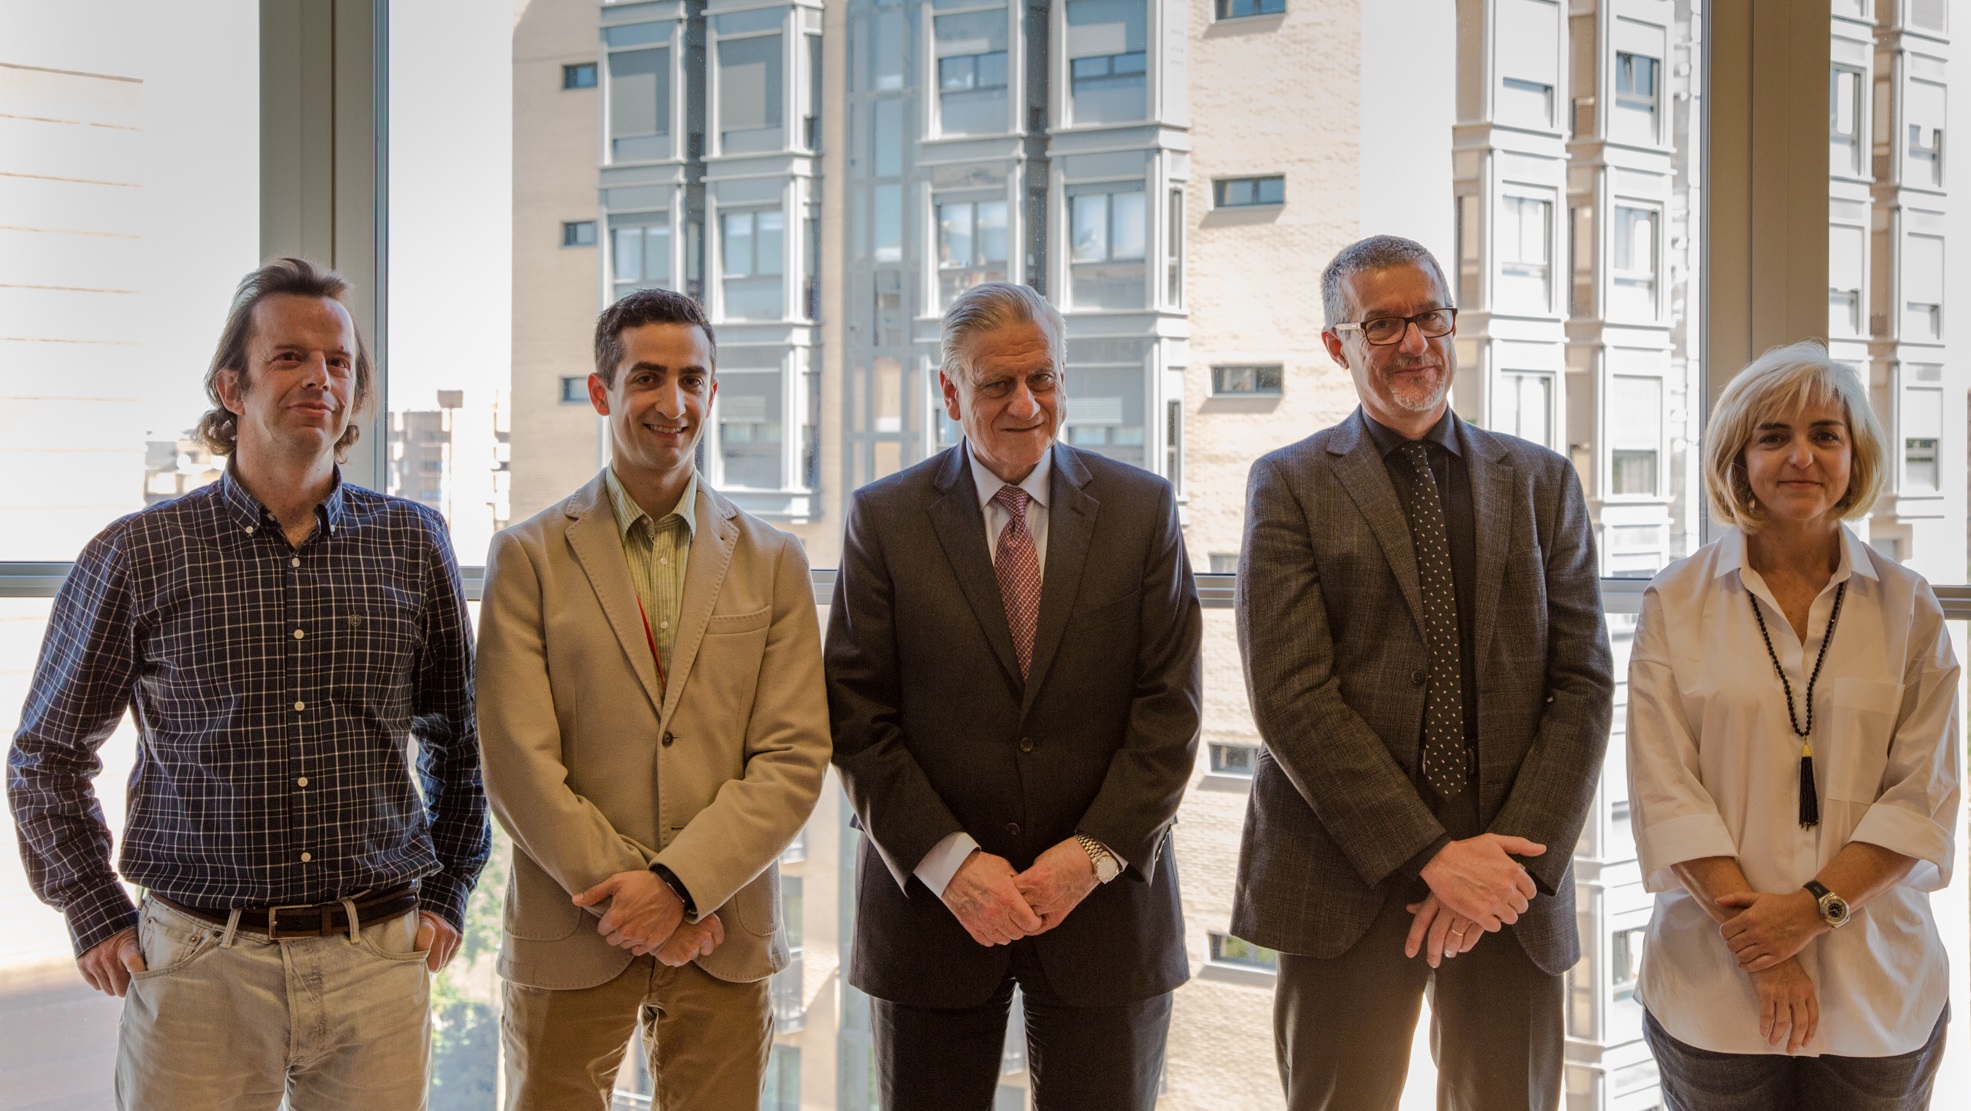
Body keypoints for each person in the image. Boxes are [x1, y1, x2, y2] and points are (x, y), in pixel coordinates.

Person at [6, 257, 488, 1110]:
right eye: (290, 357)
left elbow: (460, 739)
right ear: (231, 386)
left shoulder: (415, 541)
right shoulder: (138, 552)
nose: (321, 378)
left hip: (376, 957)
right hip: (199, 963)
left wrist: (447, 892)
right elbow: (45, 754)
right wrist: (92, 905)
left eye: (338, 362)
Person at [1231, 235, 1614, 1110]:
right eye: (1382, 322)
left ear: (1453, 321)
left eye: (1430, 316)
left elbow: (1584, 684)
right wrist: (1430, 855)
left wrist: (1500, 869)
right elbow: (1291, 696)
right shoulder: (1286, 484)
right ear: (1337, 343)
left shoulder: (1541, 482)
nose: (1413, 341)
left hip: (1507, 887)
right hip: (1341, 878)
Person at [826, 281, 1201, 1110]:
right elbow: (857, 715)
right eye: (998, 383)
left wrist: (1091, 854)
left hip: (1106, 914)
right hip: (933, 915)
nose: (1025, 403)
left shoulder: (1142, 508)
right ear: (950, 391)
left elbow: (1168, 710)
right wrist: (952, 864)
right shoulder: (882, 518)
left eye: (1043, 378)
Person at [477, 288, 830, 1110]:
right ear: (602, 393)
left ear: (711, 392)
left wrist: (679, 886)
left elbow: (792, 758)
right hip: (571, 932)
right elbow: (517, 762)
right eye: (646, 378)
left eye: (691, 379)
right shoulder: (526, 557)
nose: (671, 403)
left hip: (724, 933)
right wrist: (643, 899)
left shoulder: (775, 561)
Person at [1625, 341, 1959, 1109]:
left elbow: (1921, 798)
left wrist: (1806, 915)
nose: (1799, 455)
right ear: (1736, 458)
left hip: (1877, 993)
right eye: (1771, 435)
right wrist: (1764, 951)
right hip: (1714, 989)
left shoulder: (1910, 608)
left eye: (1824, 434)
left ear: (1854, 454)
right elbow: (1664, 791)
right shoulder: (1672, 603)